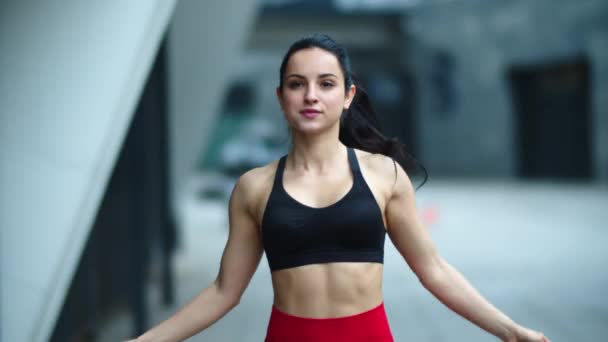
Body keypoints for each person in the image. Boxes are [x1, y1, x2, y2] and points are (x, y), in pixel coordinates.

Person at [129, 34, 550, 342]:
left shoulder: (384, 175)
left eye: (326, 84)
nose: (311, 95)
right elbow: (225, 292)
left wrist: (510, 331)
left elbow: (434, 271)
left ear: (347, 96)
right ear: (281, 97)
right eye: (297, 84)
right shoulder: (253, 187)